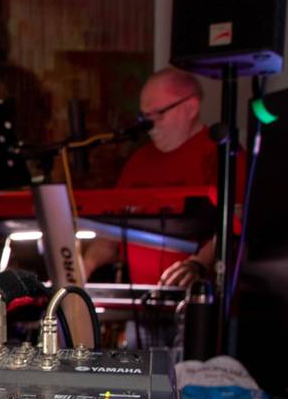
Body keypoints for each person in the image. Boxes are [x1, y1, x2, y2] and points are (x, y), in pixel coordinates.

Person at [84, 67, 244, 287]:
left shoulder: (222, 156)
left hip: (197, 298)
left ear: (191, 107)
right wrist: (82, 268)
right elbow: (110, 236)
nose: (150, 125)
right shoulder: (138, 161)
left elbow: (235, 222)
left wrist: (198, 263)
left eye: (158, 113)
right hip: (140, 299)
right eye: (145, 116)